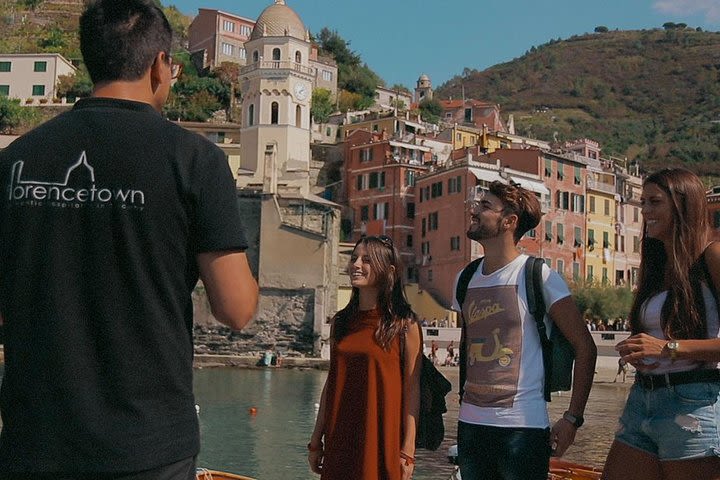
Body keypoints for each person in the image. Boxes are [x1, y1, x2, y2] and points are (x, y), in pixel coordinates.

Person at [0, 1, 259, 478]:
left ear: (89, 61)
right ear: (160, 65)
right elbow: (236, 308)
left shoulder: (17, 159)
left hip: (33, 441)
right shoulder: (195, 161)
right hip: (147, 445)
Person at [453, 181, 597, 480]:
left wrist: (572, 419)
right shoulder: (465, 278)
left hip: (522, 427)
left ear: (509, 221)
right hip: (470, 424)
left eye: (485, 206)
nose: (474, 210)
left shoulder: (538, 275)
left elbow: (585, 346)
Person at [603, 168, 720, 480]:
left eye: (654, 202)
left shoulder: (713, 256)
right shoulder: (658, 265)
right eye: (643, 203)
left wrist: (667, 348)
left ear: (683, 205)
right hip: (642, 398)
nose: (644, 211)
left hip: (693, 404)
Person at [308, 236, 422, 480]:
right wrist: (316, 439)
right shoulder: (341, 322)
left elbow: (412, 390)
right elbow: (331, 382)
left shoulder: (404, 325)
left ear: (388, 270)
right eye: (354, 258)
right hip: (340, 436)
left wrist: (408, 450)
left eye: (367, 260)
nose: (356, 265)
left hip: (383, 440)